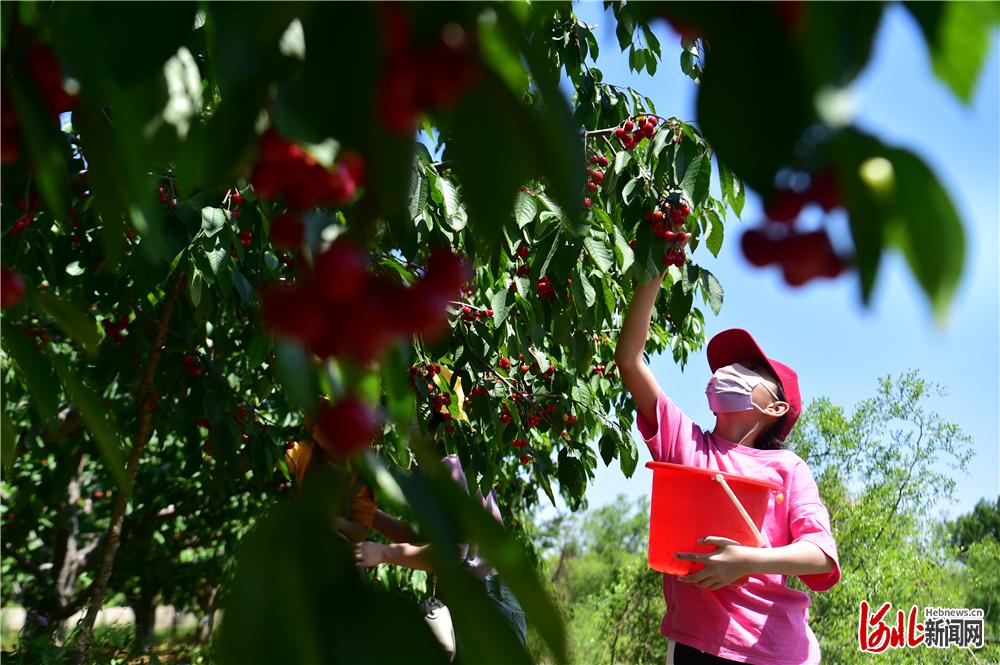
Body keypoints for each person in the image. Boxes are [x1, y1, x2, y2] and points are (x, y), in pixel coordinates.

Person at [614, 272, 841, 665]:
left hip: (777, 651)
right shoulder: (685, 443)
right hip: (696, 646)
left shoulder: (788, 468)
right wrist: (655, 269)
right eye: (730, 365)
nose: (729, 371)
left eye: (748, 369)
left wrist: (748, 561)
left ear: (776, 408)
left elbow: (821, 555)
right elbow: (629, 360)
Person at [353, 453, 527, 646]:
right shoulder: (428, 470)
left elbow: (454, 551)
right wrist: (367, 514)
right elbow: (421, 534)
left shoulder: (450, 467)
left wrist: (384, 553)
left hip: (489, 600)